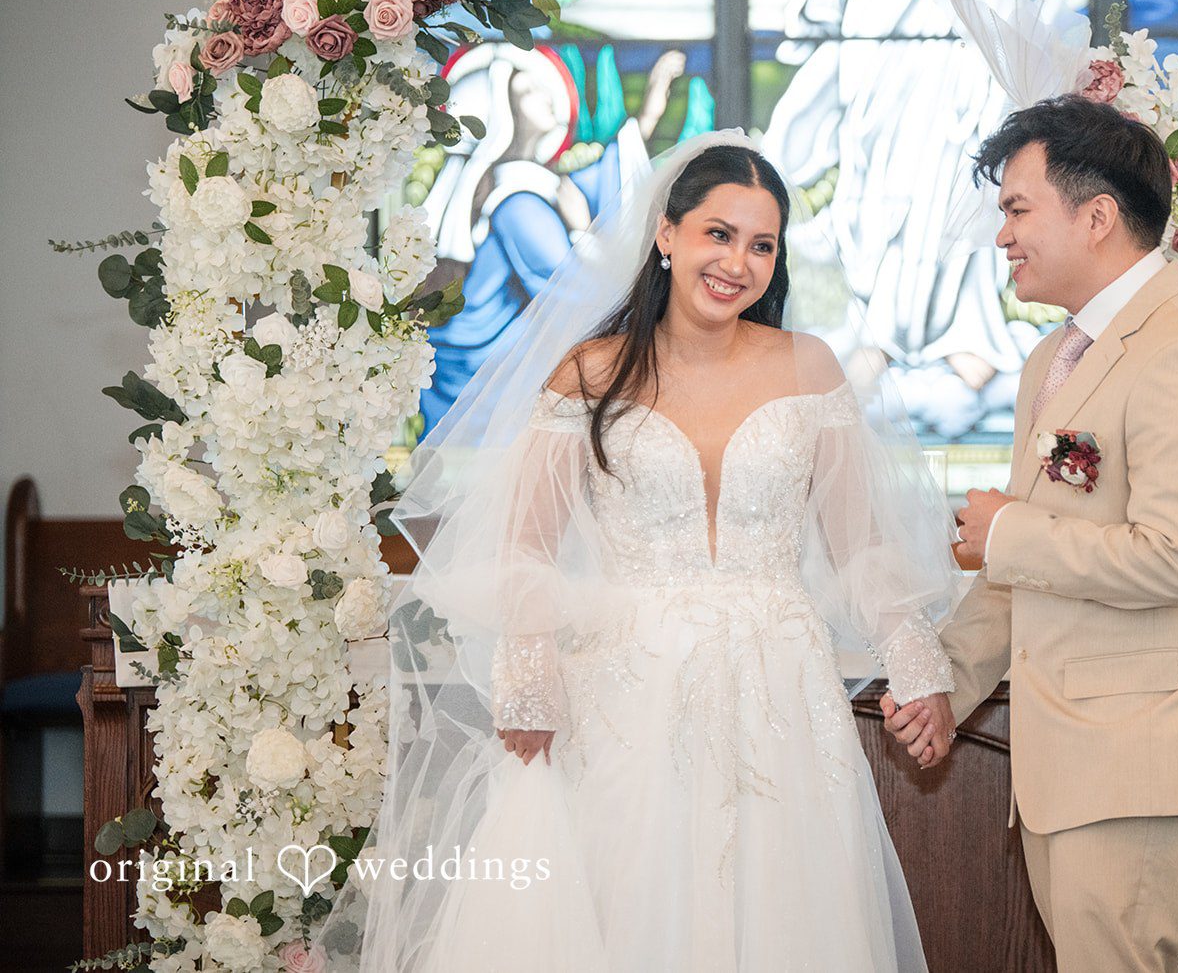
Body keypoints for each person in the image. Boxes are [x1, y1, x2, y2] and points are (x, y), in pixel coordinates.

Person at [317, 131, 960, 971]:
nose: (737, 261)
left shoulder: (809, 369)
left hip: (782, 693)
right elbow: (524, 552)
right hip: (630, 692)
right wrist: (528, 683)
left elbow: (862, 545)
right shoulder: (589, 372)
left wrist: (919, 666)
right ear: (667, 234)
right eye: (718, 233)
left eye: (762, 244)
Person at [881, 96, 1178, 972]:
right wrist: (947, 681)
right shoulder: (1057, 358)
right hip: (1067, 763)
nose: (1002, 235)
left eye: (1017, 209)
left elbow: (1177, 556)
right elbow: (1032, 565)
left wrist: (1008, 531)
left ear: (1096, 217)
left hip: (1134, 754)